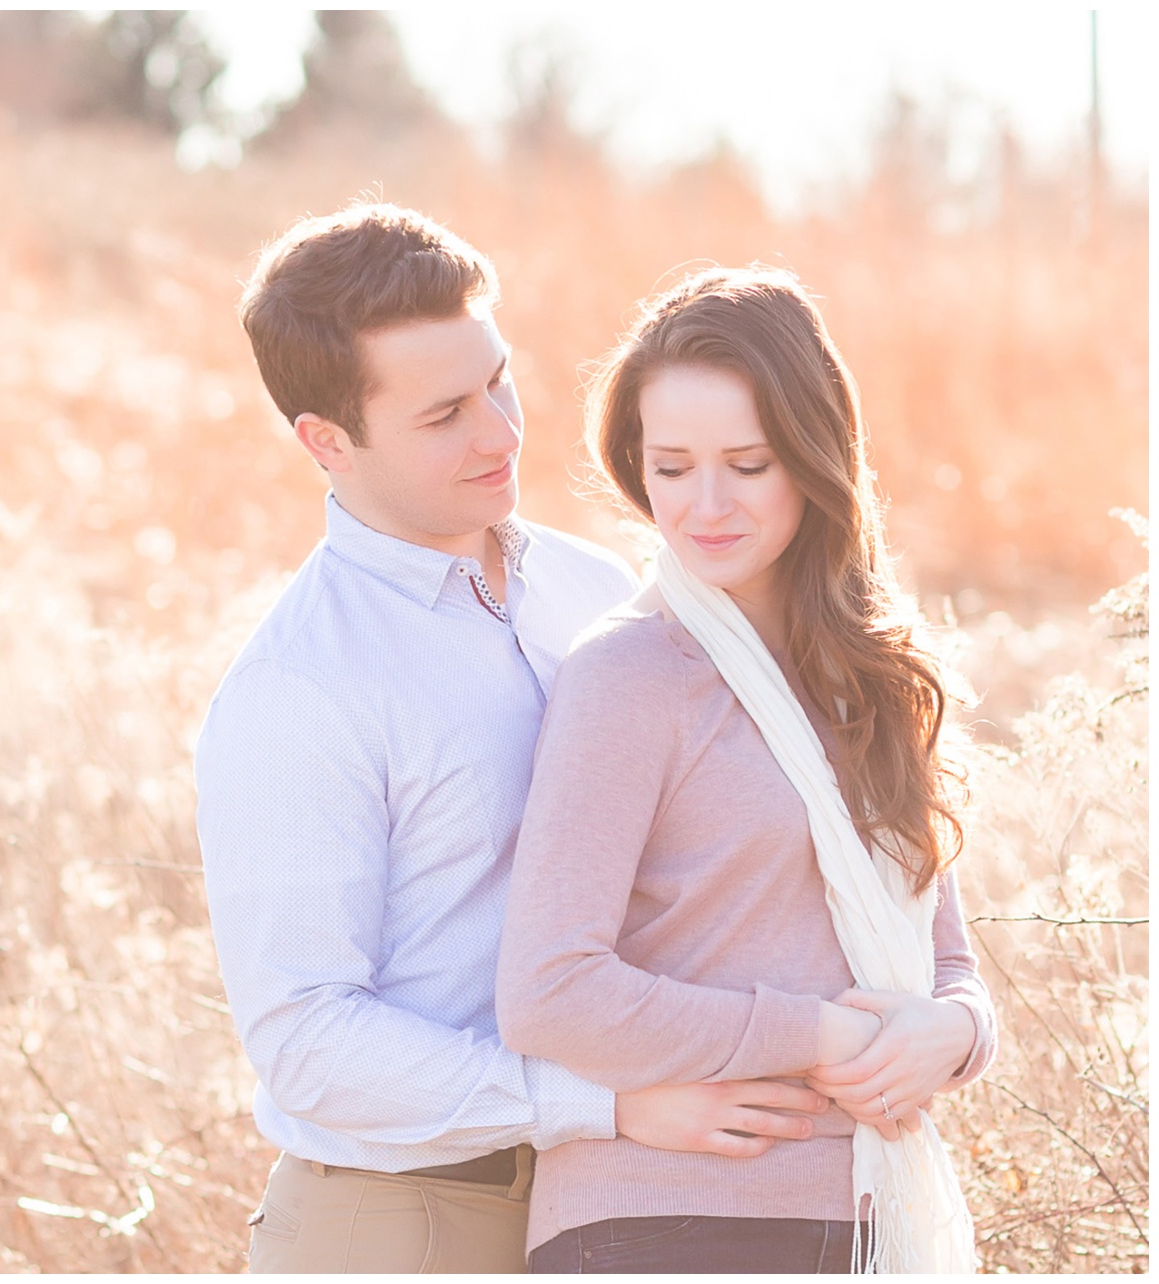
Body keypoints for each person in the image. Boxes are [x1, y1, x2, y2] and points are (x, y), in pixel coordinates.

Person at [194, 207, 837, 1274]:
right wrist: (599, 1103)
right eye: (444, 413)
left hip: (613, 1198)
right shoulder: (298, 691)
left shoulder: (597, 589)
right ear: (325, 441)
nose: (498, 432)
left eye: (499, 381)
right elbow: (305, 1041)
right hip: (407, 1219)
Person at [496, 265, 998, 1274]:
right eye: (671, 467)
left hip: (864, 1213)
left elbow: (946, 966)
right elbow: (549, 992)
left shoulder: (869, 681)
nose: (704, 505)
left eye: (747, 463)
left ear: (814, 462)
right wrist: (813, 1034)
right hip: (662, 1218)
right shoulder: (627, 675)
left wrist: (951, 1036)